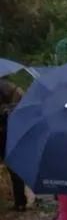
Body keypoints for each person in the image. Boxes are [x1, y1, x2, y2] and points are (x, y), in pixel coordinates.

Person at [0, 79, 27, 211]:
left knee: (14, 168)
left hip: (8, 132)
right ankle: (20, 201)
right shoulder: (12, 87)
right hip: (10, 131)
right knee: (14, 168)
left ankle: (20, 201)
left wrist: (7, 110)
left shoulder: (10, 88)